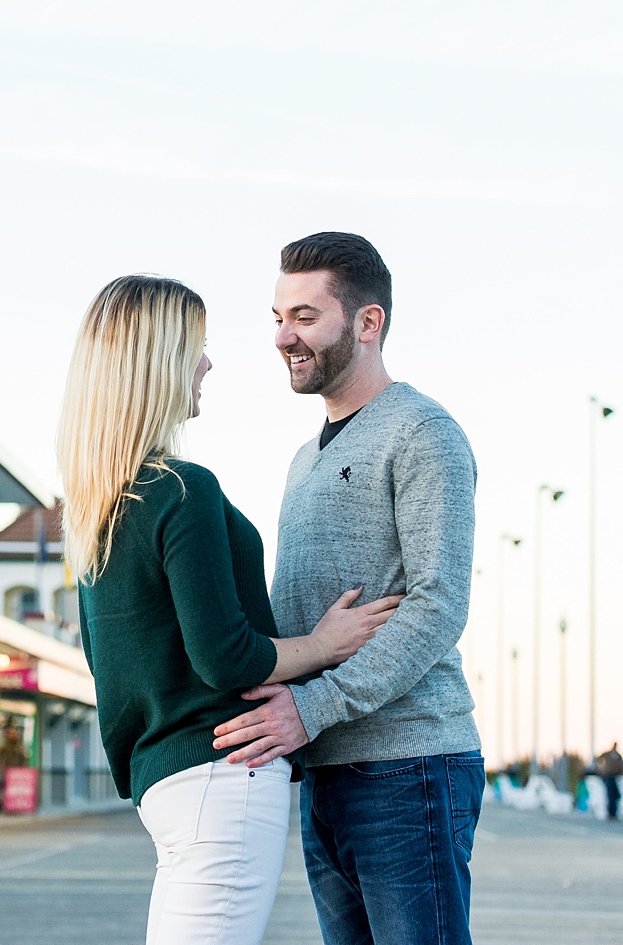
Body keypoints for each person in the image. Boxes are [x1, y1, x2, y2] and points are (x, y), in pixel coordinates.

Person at [57, 274, 402, 944]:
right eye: (196, 346)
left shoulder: (96, 510)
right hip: (223, 776)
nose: (208, 363)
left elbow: (111, 666)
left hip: (170, 786)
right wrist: (326, 643)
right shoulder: (182, 489)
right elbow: (225, 654)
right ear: (156, 362)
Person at [212, 232, 485, 945]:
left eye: (304, 315)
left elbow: (439, 605)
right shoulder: (305, 457)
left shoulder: (423, 431)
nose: (282, 336)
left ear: (369, 323)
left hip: (408, 766)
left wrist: (313, 705)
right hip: (327, 767)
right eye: (277, 316)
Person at [597, 742, 622, 819]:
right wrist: (601, 769)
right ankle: (611, 813)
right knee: (610, 795)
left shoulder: (618, 756)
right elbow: (599, 759)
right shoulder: (607, 754)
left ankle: (613, 812)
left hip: (615, 776)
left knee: (616, 795)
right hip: (608, 776)